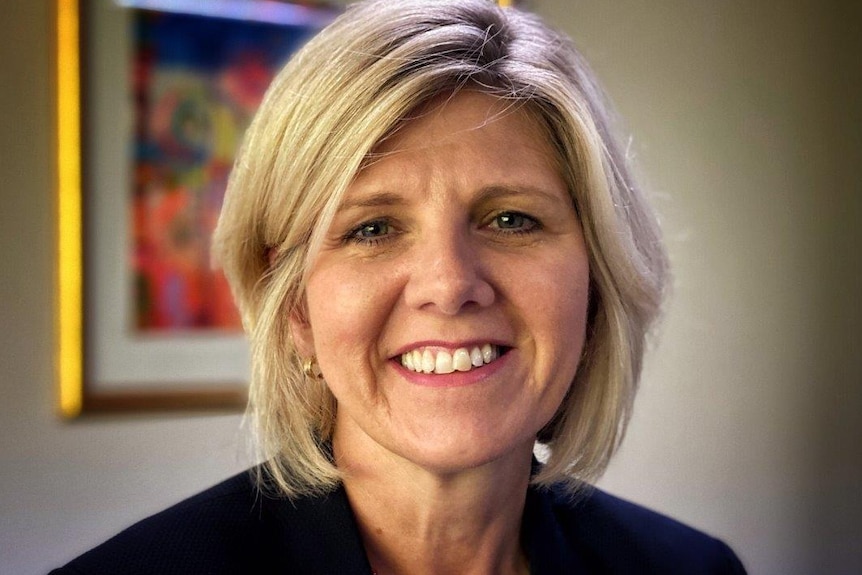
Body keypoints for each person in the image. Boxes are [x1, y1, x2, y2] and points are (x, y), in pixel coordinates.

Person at [52, 0, 747, 573]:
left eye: (511, 218)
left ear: (596, 277)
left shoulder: (693, 568)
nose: (449, 285)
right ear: (293, 304)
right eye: (373, 229)